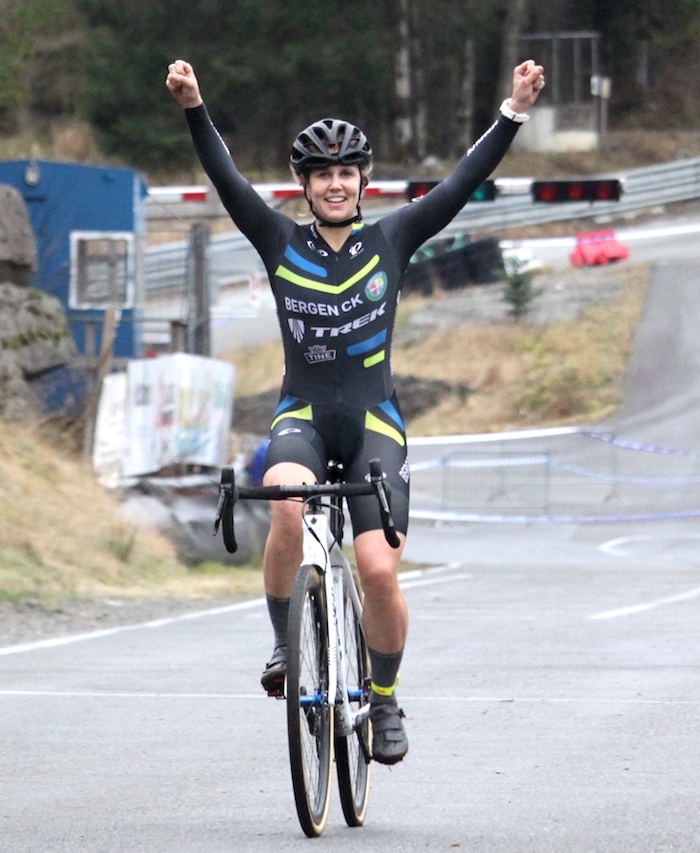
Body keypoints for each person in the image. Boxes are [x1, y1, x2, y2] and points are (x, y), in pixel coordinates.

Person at [167, 57, 545, 764]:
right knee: (284, 501)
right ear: (305, 186)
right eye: (322, 175)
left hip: (374, 420)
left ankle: (385, 694)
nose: (335, 184)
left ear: (362, 181)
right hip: (303, 414)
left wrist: (513, 111)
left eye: (347, 173)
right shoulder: (278, 239)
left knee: (376, 568)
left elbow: (463, 182)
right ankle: (285, 642)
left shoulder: (392, 239)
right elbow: (225, 179)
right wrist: (194, 105)